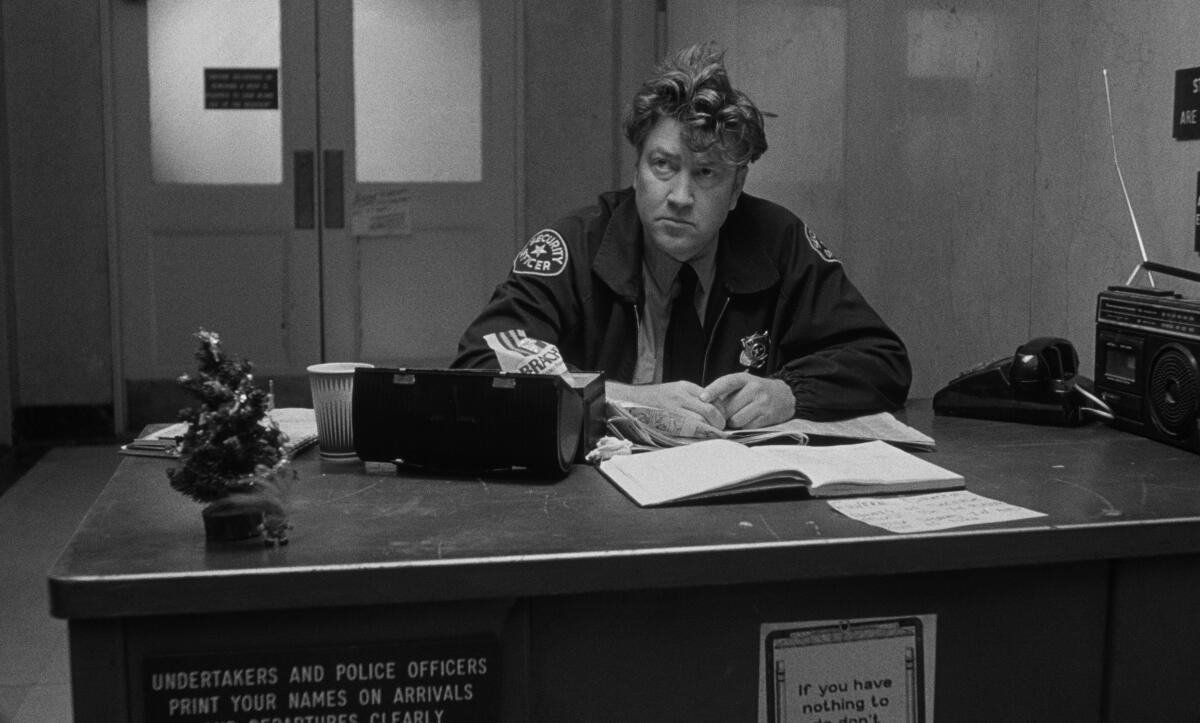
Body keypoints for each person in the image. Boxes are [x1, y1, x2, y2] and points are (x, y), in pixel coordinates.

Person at [452, 42, 911, 430]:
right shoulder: (575, 246)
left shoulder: (777, 242)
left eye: (707, 172)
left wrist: (790, 393)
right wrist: (623, 399)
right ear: (636, 171)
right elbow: (480, 368)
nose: (680, 196)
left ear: (737, 189)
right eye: (663, 165)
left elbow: (881, 360)